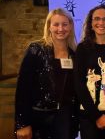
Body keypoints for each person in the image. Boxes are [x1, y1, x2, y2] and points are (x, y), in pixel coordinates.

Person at [15, 8, 78, 139]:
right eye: (56, 24)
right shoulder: (36, 50)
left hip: (65, 119)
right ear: (49, 27)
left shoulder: (75, 55)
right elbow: (23, 89)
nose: (60, 29)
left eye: (65, 24)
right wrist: (22, 124)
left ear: (71, 26)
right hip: (39, 119)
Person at [74, 4, 105, 139]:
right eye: (96, 19)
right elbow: (79, 84)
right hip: (89, 117)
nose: (101, 22)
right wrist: (96, 117)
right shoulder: (82, 49)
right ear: (91, 24)